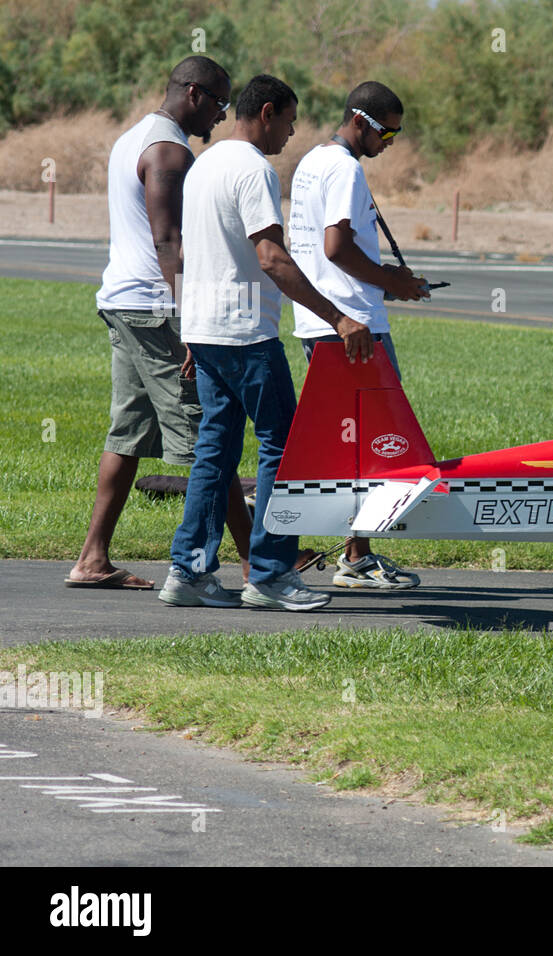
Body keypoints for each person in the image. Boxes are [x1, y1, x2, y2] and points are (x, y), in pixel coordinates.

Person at [161, 74, 374, 611]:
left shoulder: (203, 163)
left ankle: (188, 571)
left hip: (207, 333)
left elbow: (188, 252)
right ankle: (271, 576)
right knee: (284, 448)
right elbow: (272, 258)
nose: (293, 131)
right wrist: (339, 318)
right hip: (246, 335)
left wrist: (191, 330)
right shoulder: (253, 168)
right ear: (268, 112)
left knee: (215, 452)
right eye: (289, 120)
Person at [68, 56, 252, 590]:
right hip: (156, 309)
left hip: (126, 302)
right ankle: (254, 562)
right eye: (218, 102)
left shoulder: (133, 136)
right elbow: (167, 240)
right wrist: (193, 319)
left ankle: (91, 559)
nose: (221, 116)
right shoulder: (169, 150)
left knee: (126, 436)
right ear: (193, 93)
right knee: (206, 435)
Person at [288, 80, 430, 589]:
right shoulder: (344, 167)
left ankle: (356, 552)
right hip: (352, 327)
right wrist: (392, 281)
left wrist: (388, 282)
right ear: (361, 122)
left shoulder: (312, 161)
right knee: (374, 444)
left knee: (353, 444)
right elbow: (336, 249)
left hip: (324, 322)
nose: (387, 145)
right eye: (386, 135)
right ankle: (356, 560)